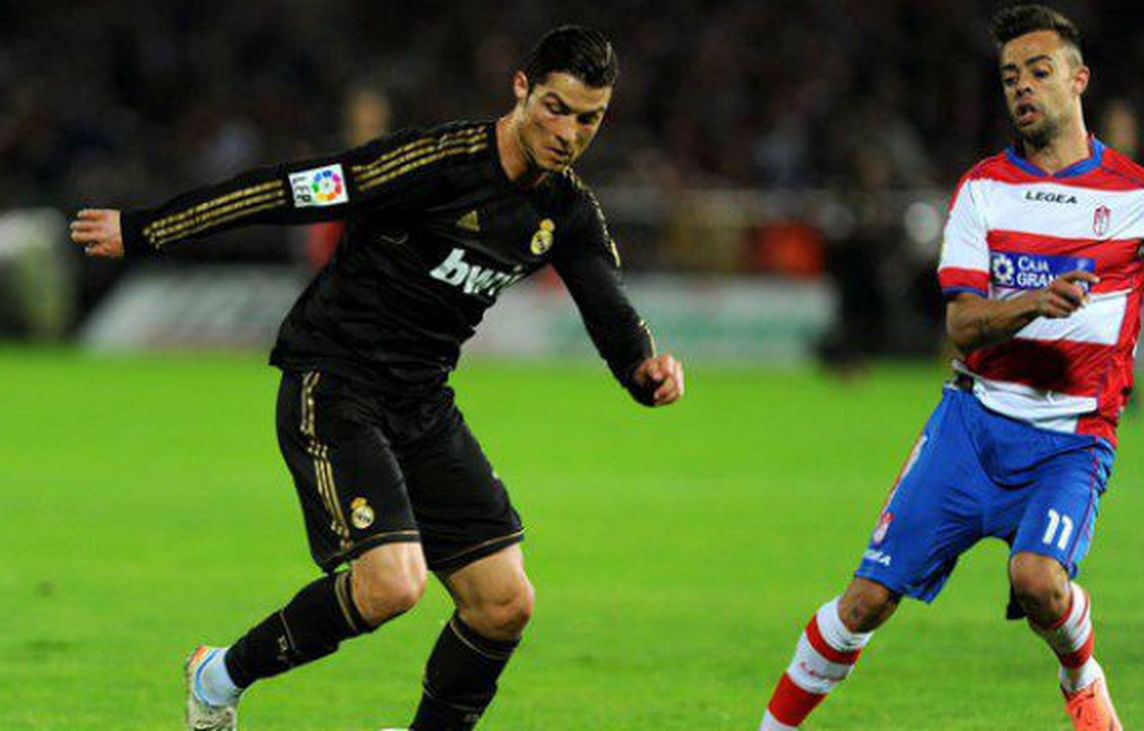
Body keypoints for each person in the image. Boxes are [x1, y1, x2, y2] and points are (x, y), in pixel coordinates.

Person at [71, 25, 684, 731]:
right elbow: (290, 189)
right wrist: (149, 229)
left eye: (588, 117)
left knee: (504, 602)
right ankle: (218, 676)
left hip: (422, 402)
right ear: (520, 88)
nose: (568, 131)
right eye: (555, 106)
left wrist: (644, 369)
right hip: (334, 382)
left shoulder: (565, 209)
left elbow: (605, 301)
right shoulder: (433, 163)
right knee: (393, 584)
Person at [758, 5, 1144, 730]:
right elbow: (961, 325)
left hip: (1071, 437)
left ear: (1077, 78)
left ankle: (1080, 673)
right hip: (970, 427)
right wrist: (1032, 301)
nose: (1022, 87)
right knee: (864, 602)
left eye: (1038, 71)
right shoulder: (982, 190)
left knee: (1037, 581)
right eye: (1009, 77)